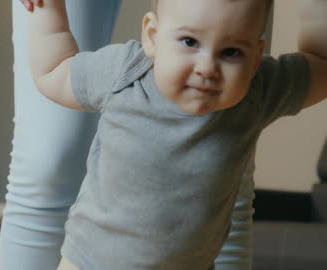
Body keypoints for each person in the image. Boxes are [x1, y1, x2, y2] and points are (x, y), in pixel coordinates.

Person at [26, 0, 327, 269]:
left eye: (231, 52)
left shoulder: (257, 90)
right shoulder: (127, 72)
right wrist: (48, 9)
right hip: (91, 263)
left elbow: (321, 67)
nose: (207, 67)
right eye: (189, 41)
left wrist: (315, 8)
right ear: (152, 36)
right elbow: (54, 72)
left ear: (256, 56)